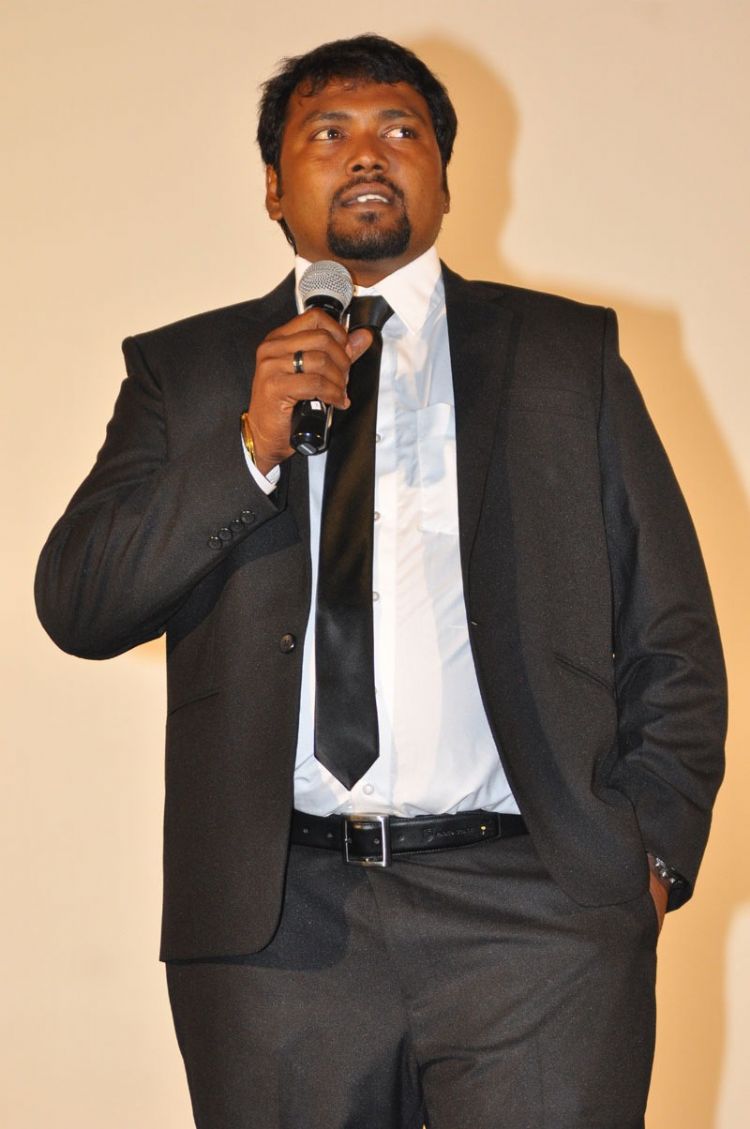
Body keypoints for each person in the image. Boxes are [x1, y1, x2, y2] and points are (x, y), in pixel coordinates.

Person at [35, 34, 726, 1129]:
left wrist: (647, 859)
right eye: (328, 132)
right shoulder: (187, 372)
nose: (368, 154)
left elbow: (671, 629)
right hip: (280, 930)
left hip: (536, 920)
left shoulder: (565, 356)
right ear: (274, 186)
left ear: (445, 178)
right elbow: (79, 601)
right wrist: (250, 446)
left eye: (401, 130)